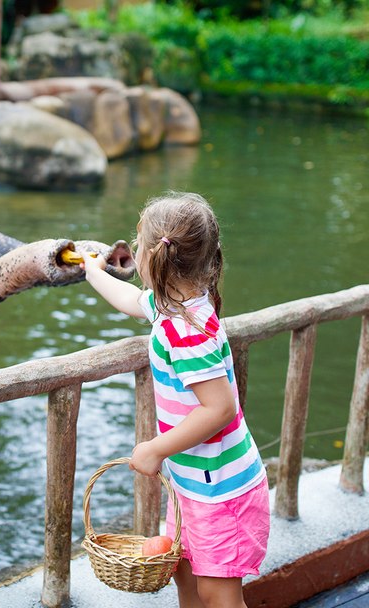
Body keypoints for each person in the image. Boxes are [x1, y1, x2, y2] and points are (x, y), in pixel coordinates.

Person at [79, 191, 269, 608]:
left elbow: (220, 409)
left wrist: (154, 448)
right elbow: (131, 300)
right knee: (184, 577)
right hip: (196, 484)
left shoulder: (185, 330)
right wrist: (93, 271)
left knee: (218, 595)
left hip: (222, 489)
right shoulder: (176, 305)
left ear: (152, 256)